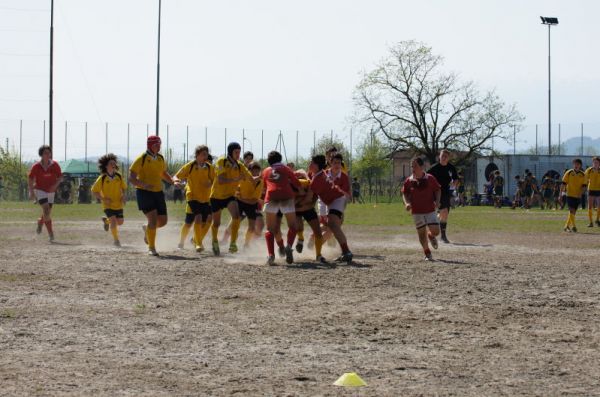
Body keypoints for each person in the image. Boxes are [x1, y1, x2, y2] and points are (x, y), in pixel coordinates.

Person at [129, 135, 175, 256]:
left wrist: (173, 181)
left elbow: (163, 173)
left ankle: (147, 228)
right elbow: (131, 178)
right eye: (156, 144)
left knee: (163, 221)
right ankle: (152, 248)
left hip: (158, 192)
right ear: (150, 145)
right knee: (153, 220)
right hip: (144, 193)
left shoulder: (160, 158)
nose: (158, 146)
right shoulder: (142, 158)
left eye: (159, 144)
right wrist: (143, 185)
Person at [210, 142, 253, 255]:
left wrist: (263, 176)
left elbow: (250, 177)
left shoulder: (239, 165)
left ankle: (233, 244)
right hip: (216, 196)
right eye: (236, 152)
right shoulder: (222, 161)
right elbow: (220, 180)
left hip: (229, 196)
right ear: (230, 152)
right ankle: (214, 241)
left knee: (236, 217)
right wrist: (237, 179)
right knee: (216, 223)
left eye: (239, 152)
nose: (238, 154)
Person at [309, 154, 353, 263]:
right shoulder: (323, 174)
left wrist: (341, 211)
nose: (337, 165)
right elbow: (316, 192)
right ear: (330, 163)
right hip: (324, 203)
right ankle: (315, 246)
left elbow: (346, 195)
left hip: (338, 200)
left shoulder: (343, 177)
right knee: (330, 227)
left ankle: (346, 252)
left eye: (339, 163)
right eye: (335, 163)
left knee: (332, 226)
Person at [173, 145, 214, 252]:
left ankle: (195, 239)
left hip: (205, 198)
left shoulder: (210, 168)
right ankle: (196, 243)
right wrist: (176, 181)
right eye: (203, 154)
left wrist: (210, 183)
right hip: (192, 197)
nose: (205, 156)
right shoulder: (190, 166)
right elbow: (176, 176)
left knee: (203, 222)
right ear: (197, 155)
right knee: (195, 219)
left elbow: (215, 181)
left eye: (206, 154)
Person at [262, 151, 301, 265]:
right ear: (280, 159)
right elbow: (296, 182)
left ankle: (271, 255)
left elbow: (264, 187)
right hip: (286, 196)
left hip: (271, 197)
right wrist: (301, 189)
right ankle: (288, 246)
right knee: (293, 226)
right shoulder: (286, 168)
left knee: (270, 229)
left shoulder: (266, 171)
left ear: (269, 161)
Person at [402, 157, 441, 261]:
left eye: (415, 166)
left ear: (421, 167)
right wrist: (407, 203)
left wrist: (437, 201)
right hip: (417, 212)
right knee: (421, 233)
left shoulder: (430, 178)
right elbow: (405, 193)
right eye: (412, 166)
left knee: (436, 231)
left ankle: (431, 235)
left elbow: (437, 190)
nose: (413, 168)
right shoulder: (409, 181)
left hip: (430, 210)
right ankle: (427, 252)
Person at [28, 145, 63, 242]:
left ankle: (40, 222)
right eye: (45, 153)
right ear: (41, 155)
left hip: (51, 191)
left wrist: (55, 186)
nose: (48, 155)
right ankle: (51, 234)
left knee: (47, 213)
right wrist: (31, 192)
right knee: (46, 210)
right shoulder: (36, 166)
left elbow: (60, 177)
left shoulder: (55, 165)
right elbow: (30, 179)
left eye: (49, 153)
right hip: (40, 190)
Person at [91, 154, 127, 247]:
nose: (113, 164)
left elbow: (123, 187)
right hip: (107, 205)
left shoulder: (119, 176)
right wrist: (103, 199)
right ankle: (116, 240)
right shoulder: (102, 178)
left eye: (114, 163)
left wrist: (123, 195)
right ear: (106, 166)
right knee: (114, 221)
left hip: (118, 204)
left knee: (120, 222)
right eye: (111, 163)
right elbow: (94, 191)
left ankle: (106, 221)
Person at [294, 170, 327, 263]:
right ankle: (300, 239)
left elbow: (314, 198)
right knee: (299, 228)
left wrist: (308, 203)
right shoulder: (293, 183)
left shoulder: (312, 184)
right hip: (297, 210)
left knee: (318, 232)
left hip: (309, 209)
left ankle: (318, 255)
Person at [427, 149, 457, 243]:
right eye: (442, 156)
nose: (444, 158)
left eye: (446, 156)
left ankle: (437, 234)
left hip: (446, 192)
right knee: (443, 212)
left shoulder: (451, 167)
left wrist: (454, 185)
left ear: (448, 158)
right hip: (435, 193)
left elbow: (455, 179)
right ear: (439, 156)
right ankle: (442, 236)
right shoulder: (434, 168)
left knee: (445, 214)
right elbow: (426, 177)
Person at [236, 161, 264, 247]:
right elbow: (236, 191)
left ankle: (246, 243)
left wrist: (241, 199)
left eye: (257, 171)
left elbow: (254, 200)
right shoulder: (243, 178)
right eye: (253, 171)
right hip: (239, 203)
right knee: (234, 224)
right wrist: (238, 196)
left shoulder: (260, 182)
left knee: (252, 227)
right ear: (249, 171)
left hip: (250, 204)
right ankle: (229, 241)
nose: (255, 173)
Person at [561, 159, 586, 233]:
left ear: (580, 165)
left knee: (573, 212)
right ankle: (574, 227)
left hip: (577, 196)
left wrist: (581, 193)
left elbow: (584, 186)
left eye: (578, 164)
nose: (576, 165)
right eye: (575, 164)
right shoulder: (569, 172)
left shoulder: (583, 174)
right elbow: (563, 184)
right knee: (571, 210)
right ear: (573, 165)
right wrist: (560, 194)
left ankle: (566, 226)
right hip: (569, 195)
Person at [585, 156, 600, 227]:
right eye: (594, 162)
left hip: (599, 190)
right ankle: (590, 222)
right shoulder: (589, 170)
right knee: (590, 206)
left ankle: (597, 220)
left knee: (599, 205)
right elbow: (585, 179)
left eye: (596, 162)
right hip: (591, 189)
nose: (595, 164)